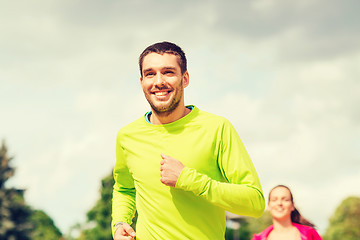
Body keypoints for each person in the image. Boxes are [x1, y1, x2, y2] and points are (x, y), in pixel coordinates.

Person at [111, 41, 265, 240]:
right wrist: (120, 222)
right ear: (142, 82)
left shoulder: (217, 128)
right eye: (150, 73)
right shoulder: (127, 136)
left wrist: (189, 179)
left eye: (168, 72)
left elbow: (254, 203)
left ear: (185, 79)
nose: (158, 81)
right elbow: (124, 188)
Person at [252, 185, 322, 240]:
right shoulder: (258, 238)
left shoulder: (310, 234)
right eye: (274, 200)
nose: (279, 203)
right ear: (269, 206)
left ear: (292, 206)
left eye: (285, 199)